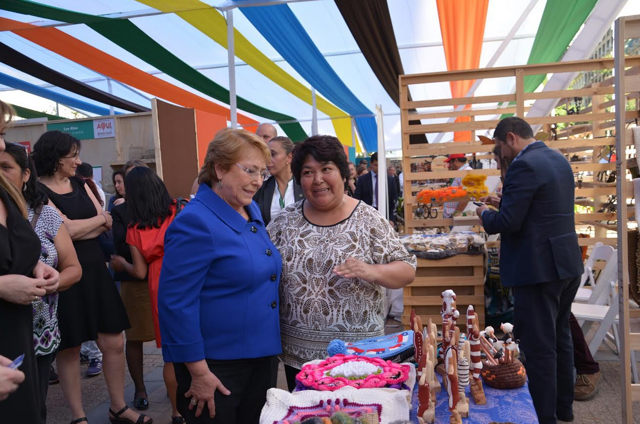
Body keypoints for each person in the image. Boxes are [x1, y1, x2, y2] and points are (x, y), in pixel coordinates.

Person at [267, 135, 416, 391]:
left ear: (343, 174)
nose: (318, 180)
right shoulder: (284, 221)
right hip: (299, 358)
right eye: (308, 172)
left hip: (358, 358)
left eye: (326, 169)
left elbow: (406, 269)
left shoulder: (368, 219)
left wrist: (371, 271)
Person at [158, 129, 281, 423]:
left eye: (263, 173)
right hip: (217, 367)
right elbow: (175, 303)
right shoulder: (195, 221)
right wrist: (199, 372)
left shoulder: (248, 209)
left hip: (259, 357)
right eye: (250, 170)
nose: (257, 181)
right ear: (219, 168)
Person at [33, 131, 151, 424]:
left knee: (113, 342)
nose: (78, 161)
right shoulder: (37, 191)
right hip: (64, 274)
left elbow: (105, 221)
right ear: (56, 158)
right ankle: (79, 416)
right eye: (73, 155)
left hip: (96, 271)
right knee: (70, 347)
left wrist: (85, 225)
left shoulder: (80, 183)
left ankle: (118, 407)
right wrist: (91, 224)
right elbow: (66, 231)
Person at [477, 117, 583, 424]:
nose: (500, 154)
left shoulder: (524, 165)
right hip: (565, 264)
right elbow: (541, 207)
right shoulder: (557, 159)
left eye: (498, 147)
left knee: (539, 347)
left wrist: (485, 213)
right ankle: (564, 408)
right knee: (560, 336)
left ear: (510, 138)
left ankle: (544, 416)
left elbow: (508, 223)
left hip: (538, 269)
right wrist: (504, 202)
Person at [1, 143, 82, 424]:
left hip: (39, 330)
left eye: (6, 167)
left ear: (26, 175)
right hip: (8, 331)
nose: (1, 174)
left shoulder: (43, 213)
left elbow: (73, 268)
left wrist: (50, 279)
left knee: (35, 408)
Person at [0, 101, 60, 424]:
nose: (0, 144)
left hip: (19, 338)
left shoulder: (6, 193)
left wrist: (35, 265)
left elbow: (17, 246)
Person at [110, 166, 184, 424]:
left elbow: (139, 272)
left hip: (158, 284)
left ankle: (176, 412)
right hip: (186, 277)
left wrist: (120, 264)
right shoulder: (179, 210)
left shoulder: (134, 228)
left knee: (171, 354)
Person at [109, 160, 155, 412]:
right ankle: (140, 388)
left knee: (169, 338)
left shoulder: (164, 208)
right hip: (134, 284)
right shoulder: (121, 211)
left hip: (159, 280)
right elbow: (118, 243)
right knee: (135, 338)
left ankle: (176, 386)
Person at [254, 136, 304, 226]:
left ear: (289, 157)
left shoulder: (304, 184)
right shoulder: (261, 188)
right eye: (267, 155)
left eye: (273, 154)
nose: (268, 160)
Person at [354, 152, 399, 222]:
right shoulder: (362, 179)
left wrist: (391, 219)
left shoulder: (390, 180)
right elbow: (357, 198)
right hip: (367, 214)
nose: (378, 168)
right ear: (371, 164)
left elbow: (393, 199)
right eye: (376, 165)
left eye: (380, 165)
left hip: (384, 212)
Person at [443, 153, 472, 218]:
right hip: (457, 216)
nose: (449, 165)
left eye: (450, 162)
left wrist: (456, 214)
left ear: (456, 161)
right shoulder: (462, 172)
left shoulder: (465, 172)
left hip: (458, 217)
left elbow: (466, 196)